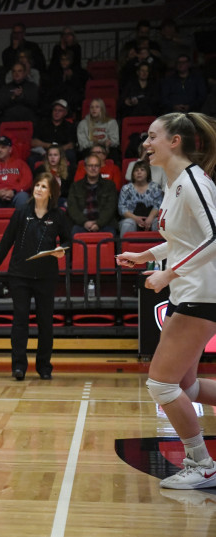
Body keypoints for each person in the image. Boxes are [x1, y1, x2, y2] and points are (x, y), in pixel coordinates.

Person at [115, 112, 216, 490]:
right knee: (185, 387)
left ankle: (202, 464)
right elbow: (182, 241)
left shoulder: (193, 182)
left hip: (200, 294)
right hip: (188, 293)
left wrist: (169, 274)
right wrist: (146, 257)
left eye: (152, 136)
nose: (145, 143)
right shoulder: (175, 184)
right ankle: (200, 461)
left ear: (175, 141)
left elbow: (213, 238)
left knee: (161, 385)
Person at [0, 173, 70, 381]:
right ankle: (19, 366)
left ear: (51, 193)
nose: (39, 189)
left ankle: (44, 366)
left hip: (46, 277)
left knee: (45, 323)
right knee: (20, 321)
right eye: (37, 185)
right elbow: (7, 241)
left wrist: (62, 250)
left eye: (44, 187)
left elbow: (68, 240)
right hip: (19, 275)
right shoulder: (21, 212)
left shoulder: (58, 215)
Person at [67, 153, 118, 236]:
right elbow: (73, 208)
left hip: (105, 224)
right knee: (74, 232)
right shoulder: (75, 186)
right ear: (85, 168)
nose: (93, 168)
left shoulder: (110, 185)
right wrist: (85, 222)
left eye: (96, 165)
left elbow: (110, 208)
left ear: (100, 167)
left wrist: (98, 223)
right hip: (81, 225)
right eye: (90, 165)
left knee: (110, 234)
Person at [0, 135, 32, 209]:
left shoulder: (20, 163)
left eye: (3, 147)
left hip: (14, 196)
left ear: (10, 150)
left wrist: (13, 191)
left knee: (23, 196)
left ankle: (21, 220)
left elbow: (27, 181)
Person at [118, 160, 163, 236]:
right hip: (131, 219)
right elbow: (122, 208)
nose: (139, 172)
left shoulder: (155, 187)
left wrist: (150, 218)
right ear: (132, 174)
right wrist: (136, 219)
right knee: (128, 223)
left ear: (147, 172)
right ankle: (124, 247)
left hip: (152, 218)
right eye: (136, 170)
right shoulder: (126, 189)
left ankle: (159, 247)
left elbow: (159, 205)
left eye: (142, 170)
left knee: (158, 222)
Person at [30, 99, 76, 168]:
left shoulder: (69, 126)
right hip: (44, 153)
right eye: (55, 110)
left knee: (71, 155)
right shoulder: (42, 124)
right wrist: (49, 146)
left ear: (65, 113)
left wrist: (57, 151)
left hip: (62, 153)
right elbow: (34, 142)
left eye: (60, 111)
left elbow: (71, 145)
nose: (56, 113)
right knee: (31, 159)